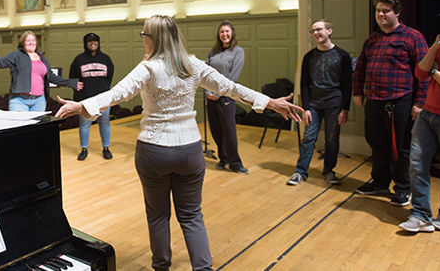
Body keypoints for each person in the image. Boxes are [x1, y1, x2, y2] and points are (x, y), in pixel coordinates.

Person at [54, 15, 302, 271]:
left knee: (158, 215)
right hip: (189, 151)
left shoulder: (148, 68)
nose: (142, 40)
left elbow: (116, 94)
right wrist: (271, 102)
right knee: (192, 216)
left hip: (153, 151)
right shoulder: (193, 65)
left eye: (144, 36)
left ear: (153, 39)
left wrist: (81, 105)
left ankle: (161, 266)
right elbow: (231, 88)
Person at [353, 0, 429, 206]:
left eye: (385, 11)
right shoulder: (372, 39)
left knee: (400, 148)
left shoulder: (412, 37)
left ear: (397, 13)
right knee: (377, 144)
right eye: (378, 11)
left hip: (400, 101)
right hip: (374, 101)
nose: (381, 14)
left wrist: (420, 102)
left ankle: (403, 188)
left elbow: (424, 72)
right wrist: (357, 92)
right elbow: (360, 67)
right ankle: (379, 182)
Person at [287, 19, 352, 186]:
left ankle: (329, 171)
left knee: (332, 139)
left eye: (319, 29)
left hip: (334, 105)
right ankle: (300, 172)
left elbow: (347, 85)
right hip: (314, 105)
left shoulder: (343, 56)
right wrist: (306, 108)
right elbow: (304, 84)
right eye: (313, 31)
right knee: (308, 138)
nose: (316, 33)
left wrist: (345, 109)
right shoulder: (309, 57)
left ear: (329, 31)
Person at [398, 35, 440, 232]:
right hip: (428, 113)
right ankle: (420, 214)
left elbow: (430, 72)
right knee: (417, 163)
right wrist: (434, 46)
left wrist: (433, 71)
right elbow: (420, 72)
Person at [0, 31, 82, 112]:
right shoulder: (16, 56)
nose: (31, 43)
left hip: (39, 101)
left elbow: (51, 77)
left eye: (33, 40)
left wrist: (71, 83)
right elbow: (0, 63)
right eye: (28, 40)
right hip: (19, 101)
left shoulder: (42, 58)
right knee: (19, 132)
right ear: (23, 43)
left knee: (35, 132)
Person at [204, 20, 248, 174]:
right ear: (219, 34)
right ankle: (224, 159)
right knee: (216, 130)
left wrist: (217, 93)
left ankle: (235, 163)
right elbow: (206, 73)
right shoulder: (214, 51)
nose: (224, 34)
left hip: (226, 97)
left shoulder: (238, 51)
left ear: (232, 33)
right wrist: (207, 92)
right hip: (210, 97)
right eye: (222, 32)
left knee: (229, 131)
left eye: (227, 31)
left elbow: (232, 77)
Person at [69, 33, 115, 161]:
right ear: (85, 43)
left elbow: (109, 77)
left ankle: (106, 148)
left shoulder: (106, 59)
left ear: (98, 43)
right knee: (84, 125)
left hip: (104, 98)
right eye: (89, 41)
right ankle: (84, 149)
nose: (92, 43)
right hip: (85, 100)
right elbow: (74, 79)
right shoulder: (78, 60)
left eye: (95, 41)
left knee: (105, 124)